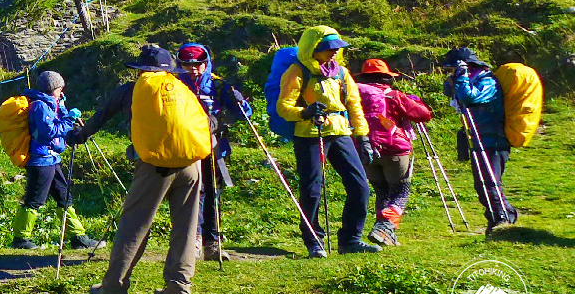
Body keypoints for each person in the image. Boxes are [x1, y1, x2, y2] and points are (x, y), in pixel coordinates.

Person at [70, 45, 207, 294]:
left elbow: (100, 118)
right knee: (187, 228)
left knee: (135, 225)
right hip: (191, 162)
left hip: (154, 166)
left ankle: (113, 290)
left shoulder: (130, 90)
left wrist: (77, 136)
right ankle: (178, 292)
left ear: (141, 70)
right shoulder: (181, 89)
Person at [275, 25, 380, 257]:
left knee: (360, 186)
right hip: (310, 134)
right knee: (312, 189)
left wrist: (362, 137)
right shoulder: (297, 71)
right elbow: (283, 107)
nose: (333, 52)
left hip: (341, 132)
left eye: (336, 48)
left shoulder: (341, 72)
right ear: (313, 48)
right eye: (327, 48)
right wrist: (304, 112)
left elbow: (354, 105)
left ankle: (351, 239)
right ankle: (314, 240)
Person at [173, 44, 251, 262]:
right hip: (186, 148)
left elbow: (244, 114)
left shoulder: (217, 86)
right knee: (193, 193)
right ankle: (193, 241)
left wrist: (238, 102)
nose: (193, 69)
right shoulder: (174, 86)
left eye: (198, 64)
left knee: (213, 192)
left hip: (214, 147)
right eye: (187, 64)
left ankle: (213, 243)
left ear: (206, 63)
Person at [9, 71, 103, 251]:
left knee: (64, 196)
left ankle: (78, 237)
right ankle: (21, 238)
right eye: (60, 89)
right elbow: (49, 132)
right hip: (40, 160)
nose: (62, 92)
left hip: (51, 158)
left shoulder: (52, 104)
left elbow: (61, 126)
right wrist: (69, 118)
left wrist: (65, 110)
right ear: (53, 88)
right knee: (35, 199)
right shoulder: (39, 106)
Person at [354, 58, 432, 246]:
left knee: (381, 191)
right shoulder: (394, 95)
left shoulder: (354, 95)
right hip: (395, 149)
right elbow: (424, 114)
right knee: (400, 191)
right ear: (387, 78)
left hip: (366, 148)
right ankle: (385, 227)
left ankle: (387, 234)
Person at [442, 47, 519, 228]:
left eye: (453, 69)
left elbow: (469, 97)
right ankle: (497, 219)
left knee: (490, 182)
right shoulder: (471, 80)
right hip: (478, 138)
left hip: (493, 139)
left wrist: (461, 77)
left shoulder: (488, 82)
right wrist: (455, 80)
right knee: (481, 184)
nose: (452, 73)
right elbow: (452, 94)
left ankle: (503, 218)